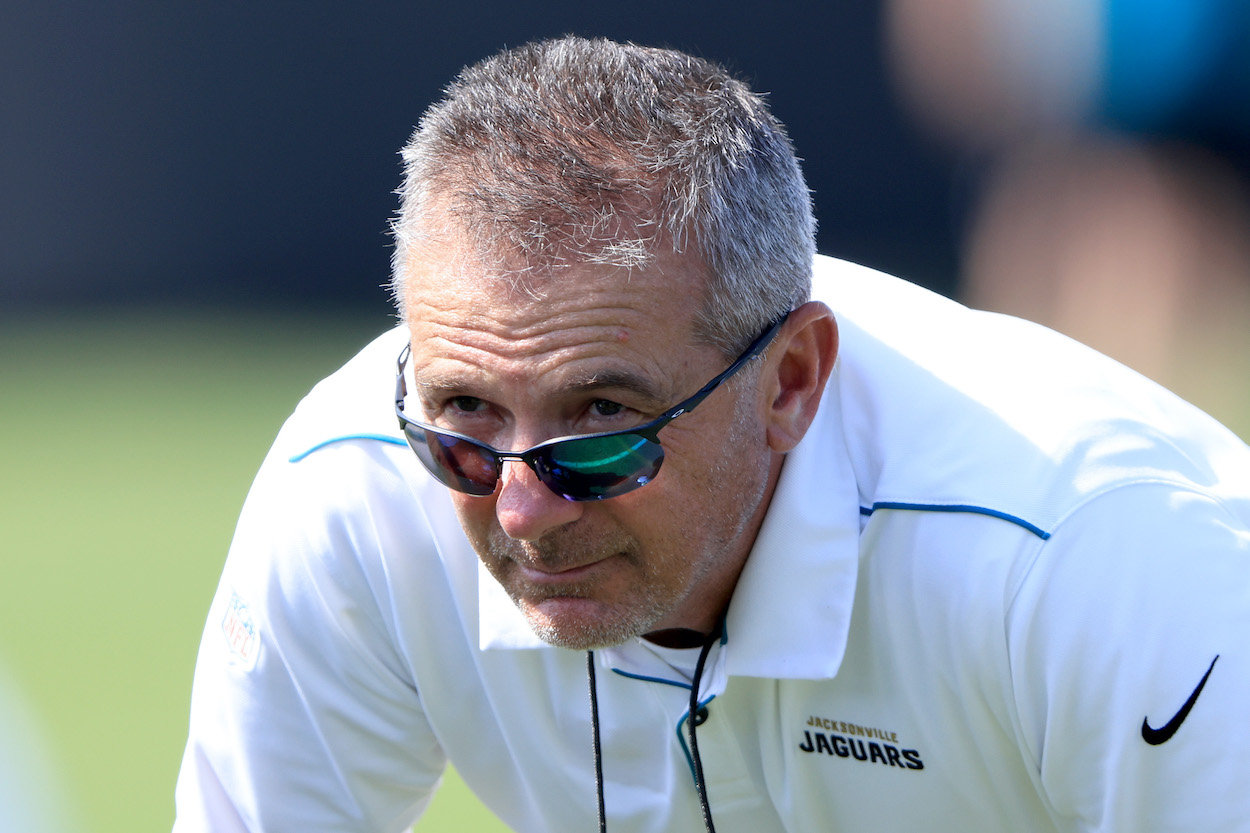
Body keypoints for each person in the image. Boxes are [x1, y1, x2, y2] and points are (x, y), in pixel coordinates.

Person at [173, 36, 1250, 832]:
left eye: (601, 417)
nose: (520, 507)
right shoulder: (352, 486)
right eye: (464, 417)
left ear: (789, 380)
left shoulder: (1104, 555)